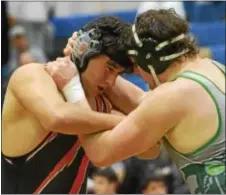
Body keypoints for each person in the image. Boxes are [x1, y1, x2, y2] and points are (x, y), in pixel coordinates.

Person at [49, 9, 225, 194]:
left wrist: (72, 87)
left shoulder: (172, 96)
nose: (136, 72)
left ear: (149, 61)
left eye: (135, 66)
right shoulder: (212, 68)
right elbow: (145, 104)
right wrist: (84, 58)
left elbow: (100, 153)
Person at [2, 16, 144, 194]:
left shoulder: (100, 104)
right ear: (84, 49)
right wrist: (129, 123)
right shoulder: (32, 75)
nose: (111, 82)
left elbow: (149, 147)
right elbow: (58, 117)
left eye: (118, 74)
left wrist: (133, 123)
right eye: (109, 68)